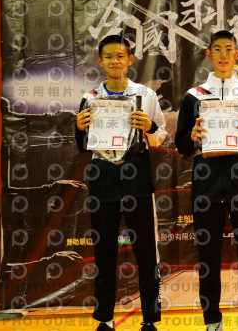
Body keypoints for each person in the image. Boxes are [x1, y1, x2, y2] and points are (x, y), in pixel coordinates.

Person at [175, 30, 238, 331]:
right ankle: (212, 319)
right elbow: (182, 145)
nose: (224, 55)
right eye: (218, 49)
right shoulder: (194, 96)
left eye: (229, 49)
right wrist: (193, 137)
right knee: (208, 254)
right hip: (206, 184)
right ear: (209, 55)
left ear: (237, 54)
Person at [75, 35, 167, 331]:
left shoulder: (145, 95)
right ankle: (105, 318)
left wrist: (150, 127)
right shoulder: (90, 97)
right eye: (108, 56)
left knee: (146, 254)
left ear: (130, 59)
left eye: (120, 56)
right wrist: (79, 128)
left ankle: (150, 319)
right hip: (103, 182)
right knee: (104, 254)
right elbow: (83, 145)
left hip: (137, 183)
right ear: (100, 61)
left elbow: (161, 137)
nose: (115, 61)